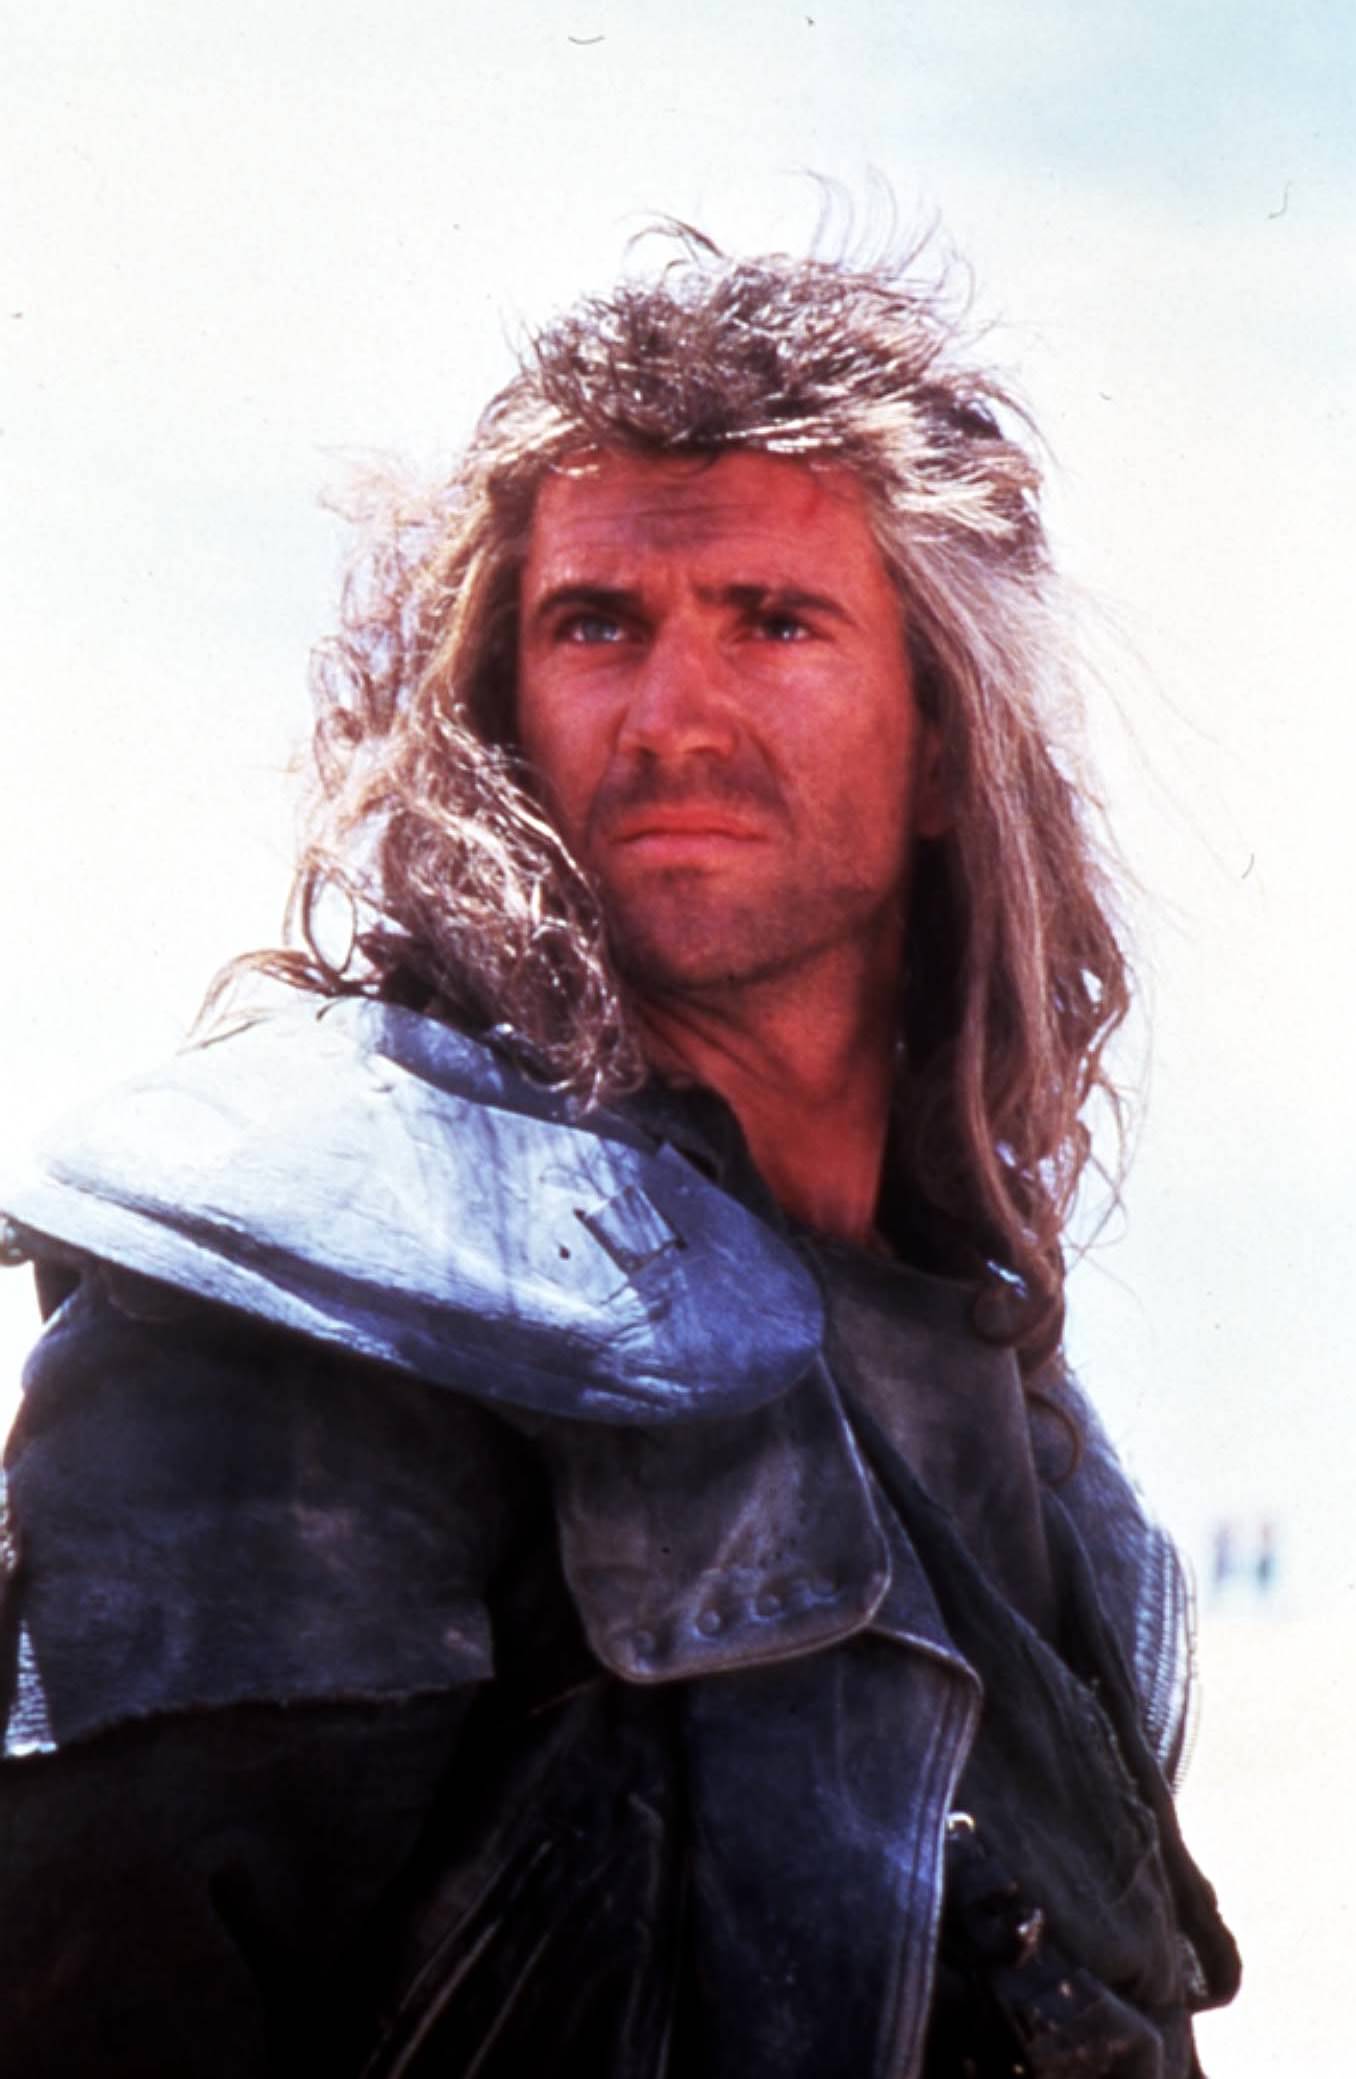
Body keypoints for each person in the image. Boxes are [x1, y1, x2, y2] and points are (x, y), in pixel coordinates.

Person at [0, 227, 1239, 2076]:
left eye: (773, 620)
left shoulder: (1038, 1462)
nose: (670, 720)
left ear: (938, 749)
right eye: (597, 625)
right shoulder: (326, 1304)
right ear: (501, 709)